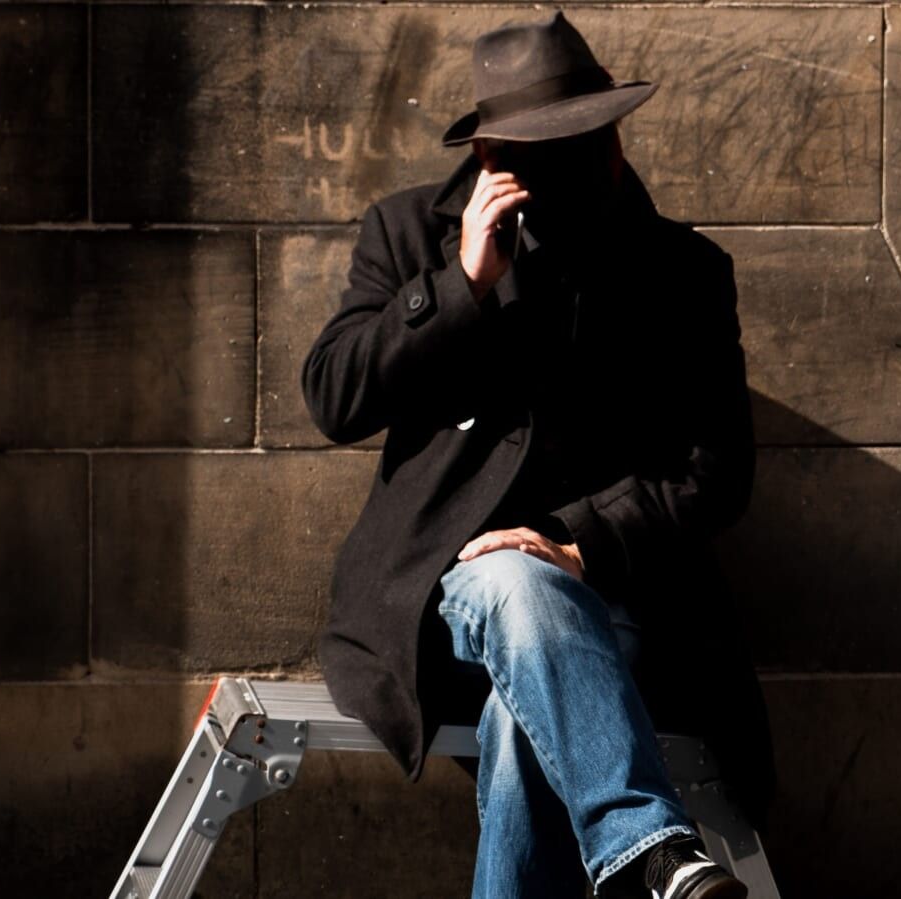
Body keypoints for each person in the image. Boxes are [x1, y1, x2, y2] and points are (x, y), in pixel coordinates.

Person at [299, 10, 775, 899]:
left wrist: (576, 540)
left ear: (616, 139)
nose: (580, 165)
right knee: (515, 585)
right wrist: (457, 288)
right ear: (489, 160)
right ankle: (653, 845)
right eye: (541, 150)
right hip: (446, 598)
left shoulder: (682, 270)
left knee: (530, 716)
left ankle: (648, 849)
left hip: (615, 595)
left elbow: (717, 469)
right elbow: (332, 395)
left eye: (590, 139)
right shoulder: (410, 235)